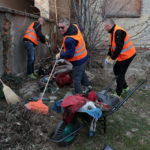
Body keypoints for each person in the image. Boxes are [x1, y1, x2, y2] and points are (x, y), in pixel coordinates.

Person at [56, 17, 92, 94]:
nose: (60, 29)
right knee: (82, 72)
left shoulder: (69, 40)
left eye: (62, 27)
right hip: (84, 56)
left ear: (68, 25)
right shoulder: (75, 26)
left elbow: (69, 54)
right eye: (59, 27)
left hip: (78, 61)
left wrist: (60, 55)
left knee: (76, 79)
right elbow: (81, 30)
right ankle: (88, 86)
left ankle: (78, 96)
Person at [103, 18, 136, 97]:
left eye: (105, 27)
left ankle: (118, 93)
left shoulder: (118, 32)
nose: (104, 28)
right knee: (116, 70)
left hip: (128, 55)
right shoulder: (112, 31)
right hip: (122, 56)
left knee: (120, 74)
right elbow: (112, 45)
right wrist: (109, 55)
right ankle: (125, 87)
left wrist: (112, 58)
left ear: (109, 25)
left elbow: (119, 48)